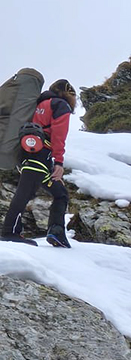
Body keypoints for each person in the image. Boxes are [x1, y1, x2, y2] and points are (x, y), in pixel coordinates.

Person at [0, 78, 77, 247]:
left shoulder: (37, 104)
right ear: (68, 93)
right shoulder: (60, 105)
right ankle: (9, 232)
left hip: (28, 154)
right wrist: (59, 162)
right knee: (25, 192)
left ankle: (56, 232)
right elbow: (59, 135)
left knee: (60, 193)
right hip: (42, 155)